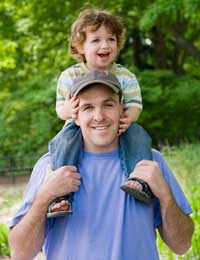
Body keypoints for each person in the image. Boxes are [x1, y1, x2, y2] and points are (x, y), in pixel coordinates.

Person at [9, 71, 194, 260]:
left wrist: (165, 194)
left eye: (108, 104)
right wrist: (44, 197)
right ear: (76, 116)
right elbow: (20, 254)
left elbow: (182, 245)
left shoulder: (149, 162)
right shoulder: (51, 166)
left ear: (121, 108)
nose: (99, 116)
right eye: (88, 107)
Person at [48, 7, 153, 217]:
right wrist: (68, 110)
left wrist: (128, 118)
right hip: (79, 126)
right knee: (63, 142)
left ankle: (140, 181)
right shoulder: (71, 75)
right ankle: (61, 196)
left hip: (117, 124)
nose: (104, 45)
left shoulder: (125, 76)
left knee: (139, 136)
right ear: (80, 47)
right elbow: (60, 108)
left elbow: (135, 104)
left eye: (111, 39)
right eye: (96, 40)